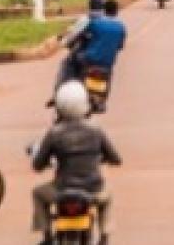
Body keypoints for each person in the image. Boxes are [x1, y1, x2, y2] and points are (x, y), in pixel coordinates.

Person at [32, 80, 122, 240]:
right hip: (93, 190)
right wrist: (108, 159)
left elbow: (38, 164)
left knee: (38, 193)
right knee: (107, 198)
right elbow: (115, 158)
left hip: (61, 190)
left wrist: (42, 163)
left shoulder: (53, 133)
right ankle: (104, 236)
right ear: (85, 105)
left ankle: (46, 236)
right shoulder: (96, 130)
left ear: (59, 107)